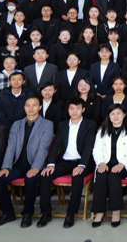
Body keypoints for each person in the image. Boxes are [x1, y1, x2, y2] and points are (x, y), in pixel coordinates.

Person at [0, 96, 53, 228]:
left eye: (34, 105)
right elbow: (11, 147)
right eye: (28, 105)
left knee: (30, 179)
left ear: (40, 107)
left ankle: (27, 214)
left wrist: (35, 167)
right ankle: (8, 213)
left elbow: (43, 148)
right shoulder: (16, 124)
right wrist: (6, 167)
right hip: (18, 164)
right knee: (0, 179)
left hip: (36, 164)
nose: (31, 108)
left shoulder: (47, 124)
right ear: (24, 108)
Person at [37, 97, 97, 228]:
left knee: (77, 177)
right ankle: (45, 213)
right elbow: (56, 145)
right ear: (68, 110)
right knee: (45, 176)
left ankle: (71, 213)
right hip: (65, 161)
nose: (74, 111)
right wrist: (51, 164)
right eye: (72, 108)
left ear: (83, 110)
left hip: (82, 162)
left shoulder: (90, 124)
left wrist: (81, 165)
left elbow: (88, 146)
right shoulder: (62, 125)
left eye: (78, 108)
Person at [91, 104, 127, 228]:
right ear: (109, 116)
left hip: (125, 165)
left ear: (124, 115)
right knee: (101, 176)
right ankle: (99, 212)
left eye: (118, 113)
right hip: (105, 163)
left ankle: (116, 211)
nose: (115, 116)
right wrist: (100, 163)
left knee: (114, 176)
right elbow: (96, 150)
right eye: (112, 114)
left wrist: (122, 164)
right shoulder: (102, 129)